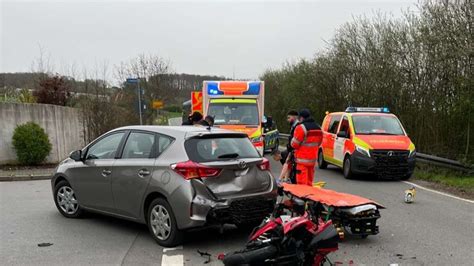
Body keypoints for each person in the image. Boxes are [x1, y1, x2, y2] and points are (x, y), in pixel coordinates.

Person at [290, 109, 322, 186]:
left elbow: (294, 144)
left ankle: (302, 197)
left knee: (302, 185)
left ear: (301, 118)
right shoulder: (318, 128)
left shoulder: (301, 128)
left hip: (302, 161)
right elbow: (319, 143)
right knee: (309, 183)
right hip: (312, 161)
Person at [277, 110, 299, 182]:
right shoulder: (294, 126)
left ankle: (281, 179)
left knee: (287, 162)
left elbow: (295, 139)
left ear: (294, 117)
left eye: (289, 118)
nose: (288, 120)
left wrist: (290, 147)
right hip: (291, 149)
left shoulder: (297, 126)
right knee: (288, 163)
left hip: (294, 149)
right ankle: (286, 178)